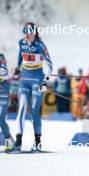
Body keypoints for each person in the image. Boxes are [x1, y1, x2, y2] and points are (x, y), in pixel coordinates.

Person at [12, 22, 53, 151]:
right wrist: (18, 68)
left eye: (28, 33)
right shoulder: (22, 42)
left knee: (35, 109)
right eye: (25, 33)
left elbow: (49, 64)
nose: (26, 36)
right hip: (24, 79)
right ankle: (18, 141)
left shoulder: (40, 45)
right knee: (22, 108)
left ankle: (37, 142)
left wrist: (45, 81)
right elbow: (20, 54)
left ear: (34, 33)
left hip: (37, 80)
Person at [0, 53, 13, 151]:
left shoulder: (0, 56)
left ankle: (8, 141)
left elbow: (5, 73)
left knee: (1, 118)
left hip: (3, 89)